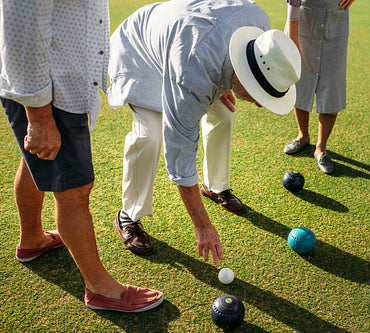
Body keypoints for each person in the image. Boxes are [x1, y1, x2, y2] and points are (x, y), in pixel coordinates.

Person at [0, 0, 163, 312]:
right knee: (74, 189)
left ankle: (32, 239)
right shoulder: (44, 104)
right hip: (50, 93)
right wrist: (39, 117)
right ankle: (100, 289)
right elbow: (23, 27)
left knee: (34, 161)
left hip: (59, 87)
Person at [108, 0, 301, 259]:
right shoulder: (192, 74)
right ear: (243, 75)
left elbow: (219, 45)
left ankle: (214, 185)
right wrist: (202, 226)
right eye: (257, 94)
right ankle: (128, 215)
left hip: (186, 46)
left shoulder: (260, 26)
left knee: (224, 113)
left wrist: (223, 77)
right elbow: (179, 157)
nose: (257, 103)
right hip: (139, 53)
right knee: (150, 134)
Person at [284, 0, 355, 174]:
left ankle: (321, 148)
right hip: (304, 22)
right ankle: (303, 136)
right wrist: (293, 39)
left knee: (332, 86)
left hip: (336, 21)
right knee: (301, 81)